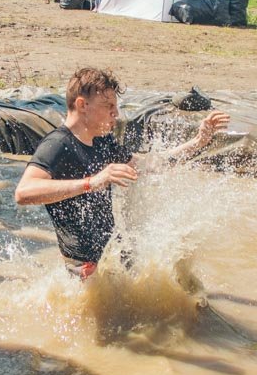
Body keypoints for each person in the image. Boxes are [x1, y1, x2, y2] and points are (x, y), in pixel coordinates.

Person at [14, 67, 230, 280]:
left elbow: (149, 165)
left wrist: (198, 141)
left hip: (112, 256)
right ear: (82, 105)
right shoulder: (57, 144)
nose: (115, 113)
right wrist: (92, 182)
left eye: (116, 106)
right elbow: (23, 192)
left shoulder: (102, 141)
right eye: (108, 106)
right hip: (84, 269)